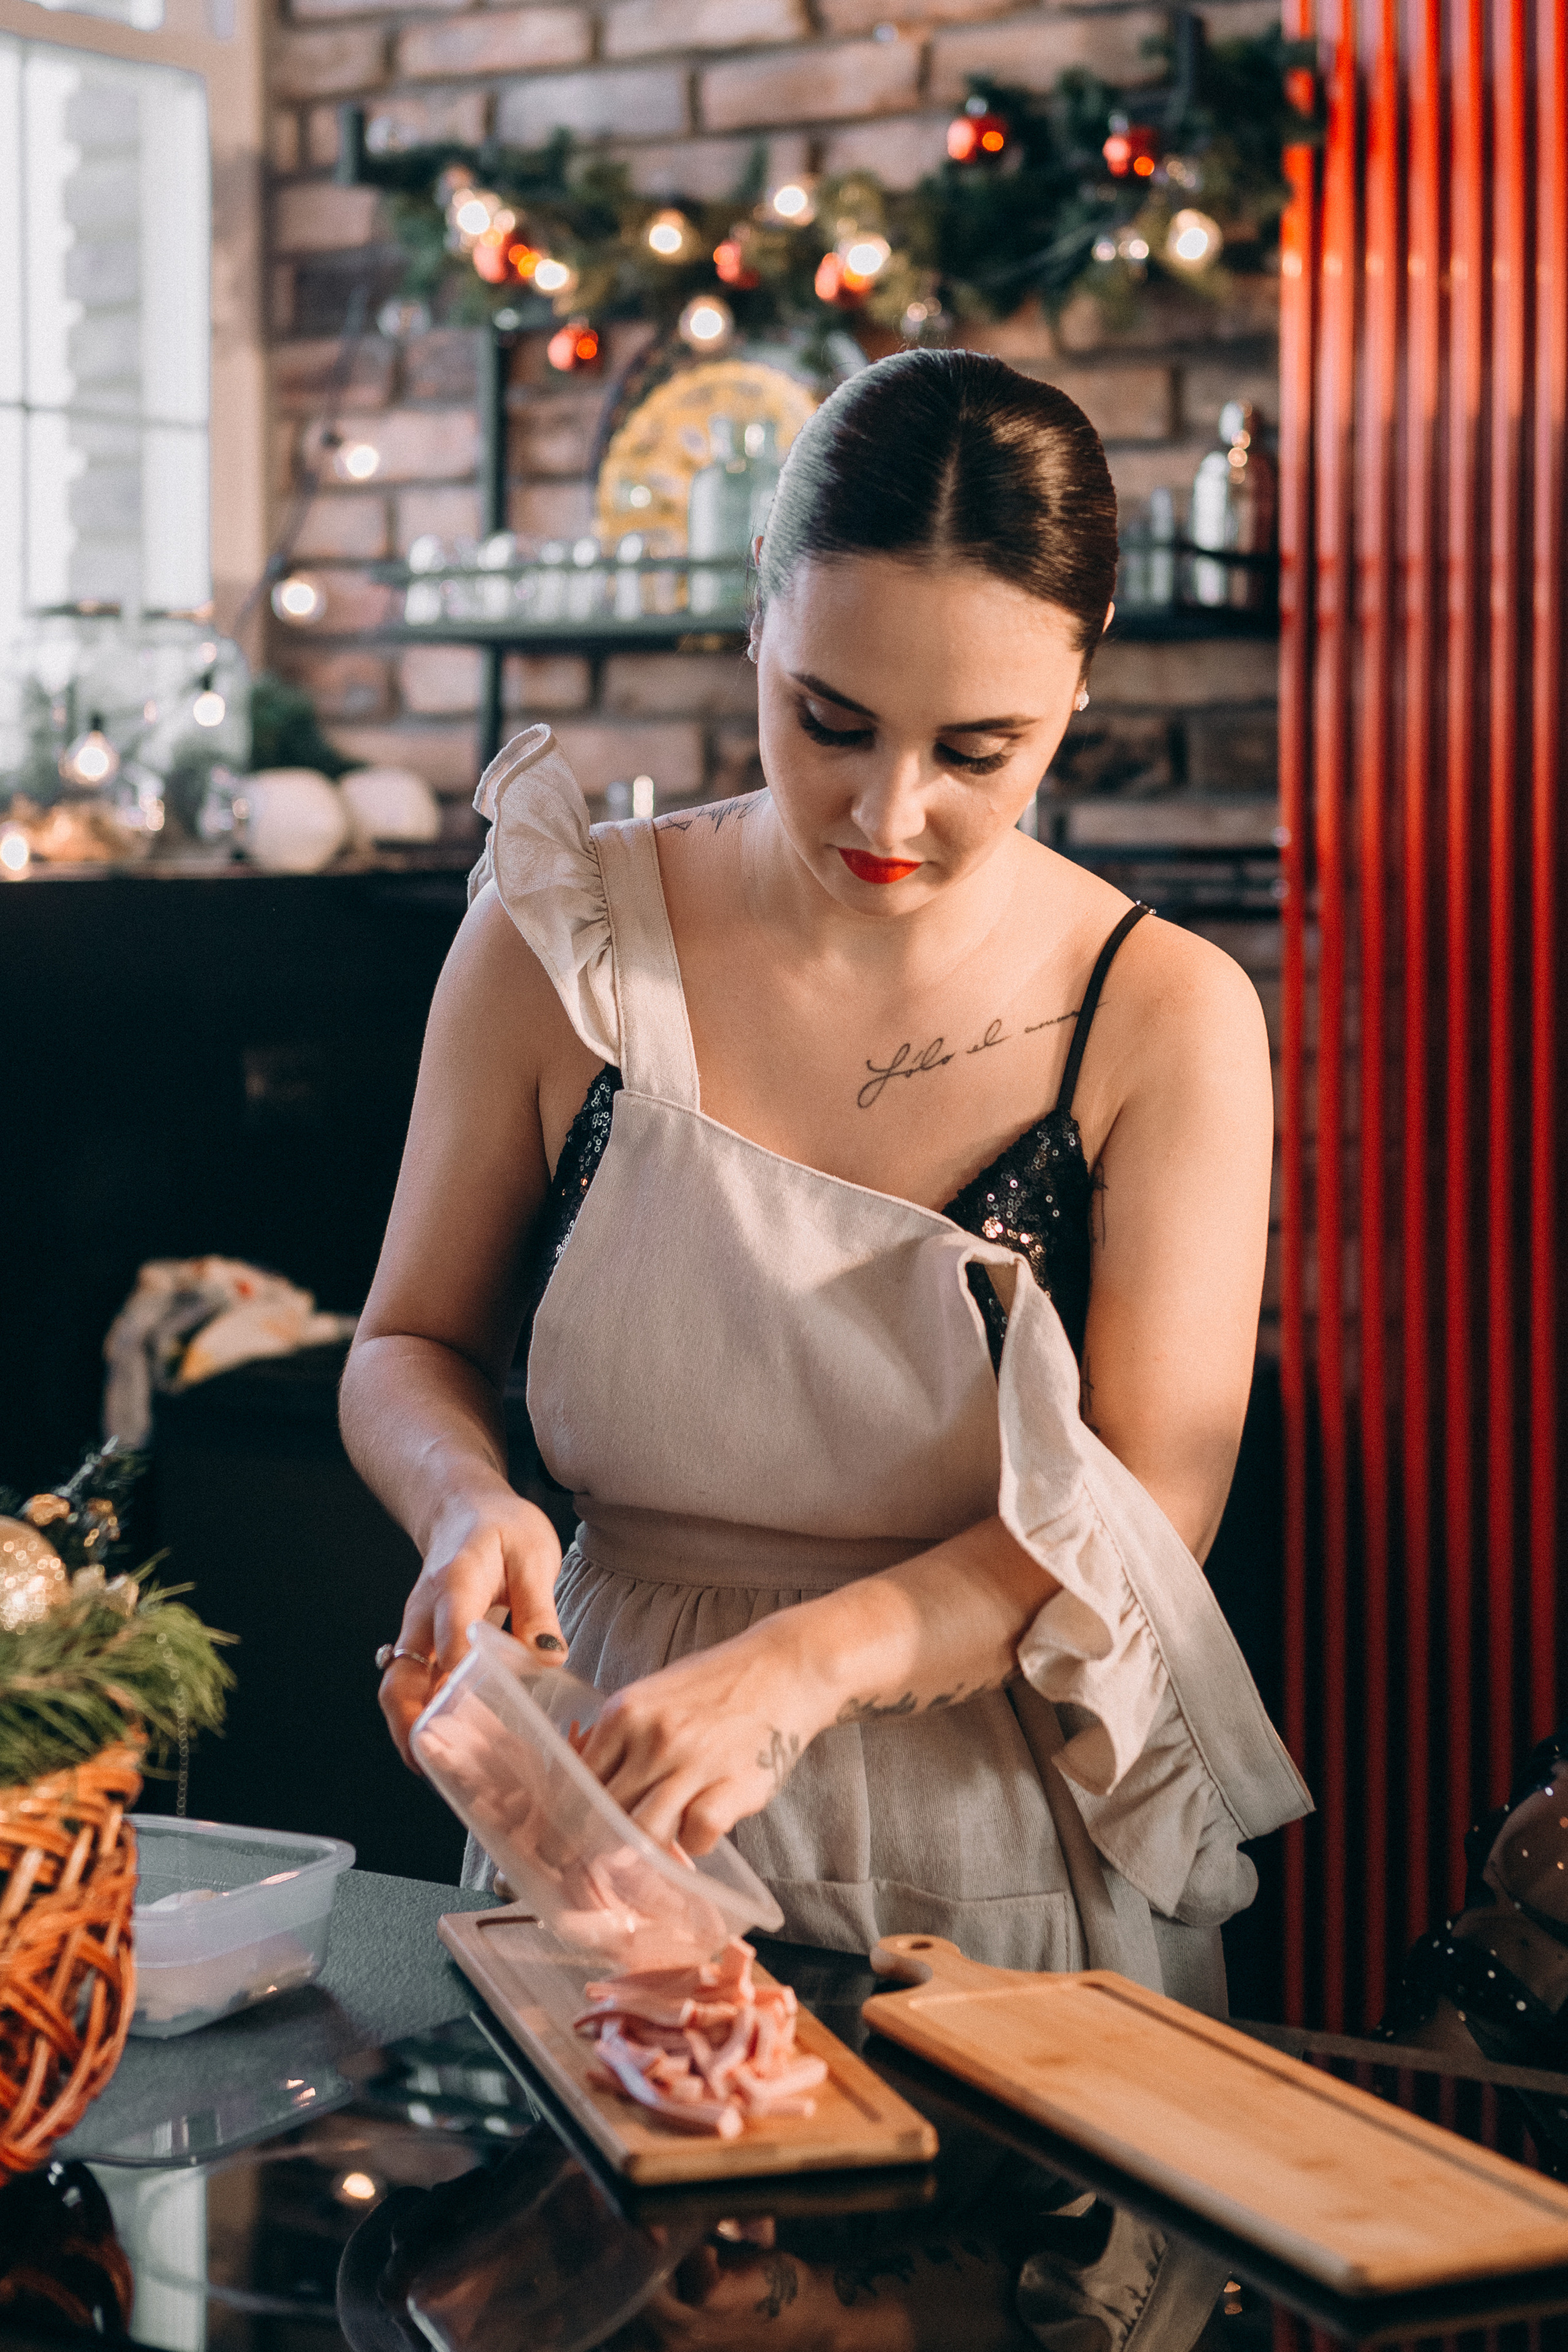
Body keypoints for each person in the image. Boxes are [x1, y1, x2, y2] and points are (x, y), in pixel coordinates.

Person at [340, 347, 1308, 2013]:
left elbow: (1153, 1509)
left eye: (978, 750)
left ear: (1081, 687)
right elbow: (402, 1343)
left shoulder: (1164, 1017)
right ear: (758, 630)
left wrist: (795, 1673)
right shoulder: (554, 939)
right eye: (830, 721)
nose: (888, 810)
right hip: (611, 1784)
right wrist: (463, 1501)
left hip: (1000, 1839)